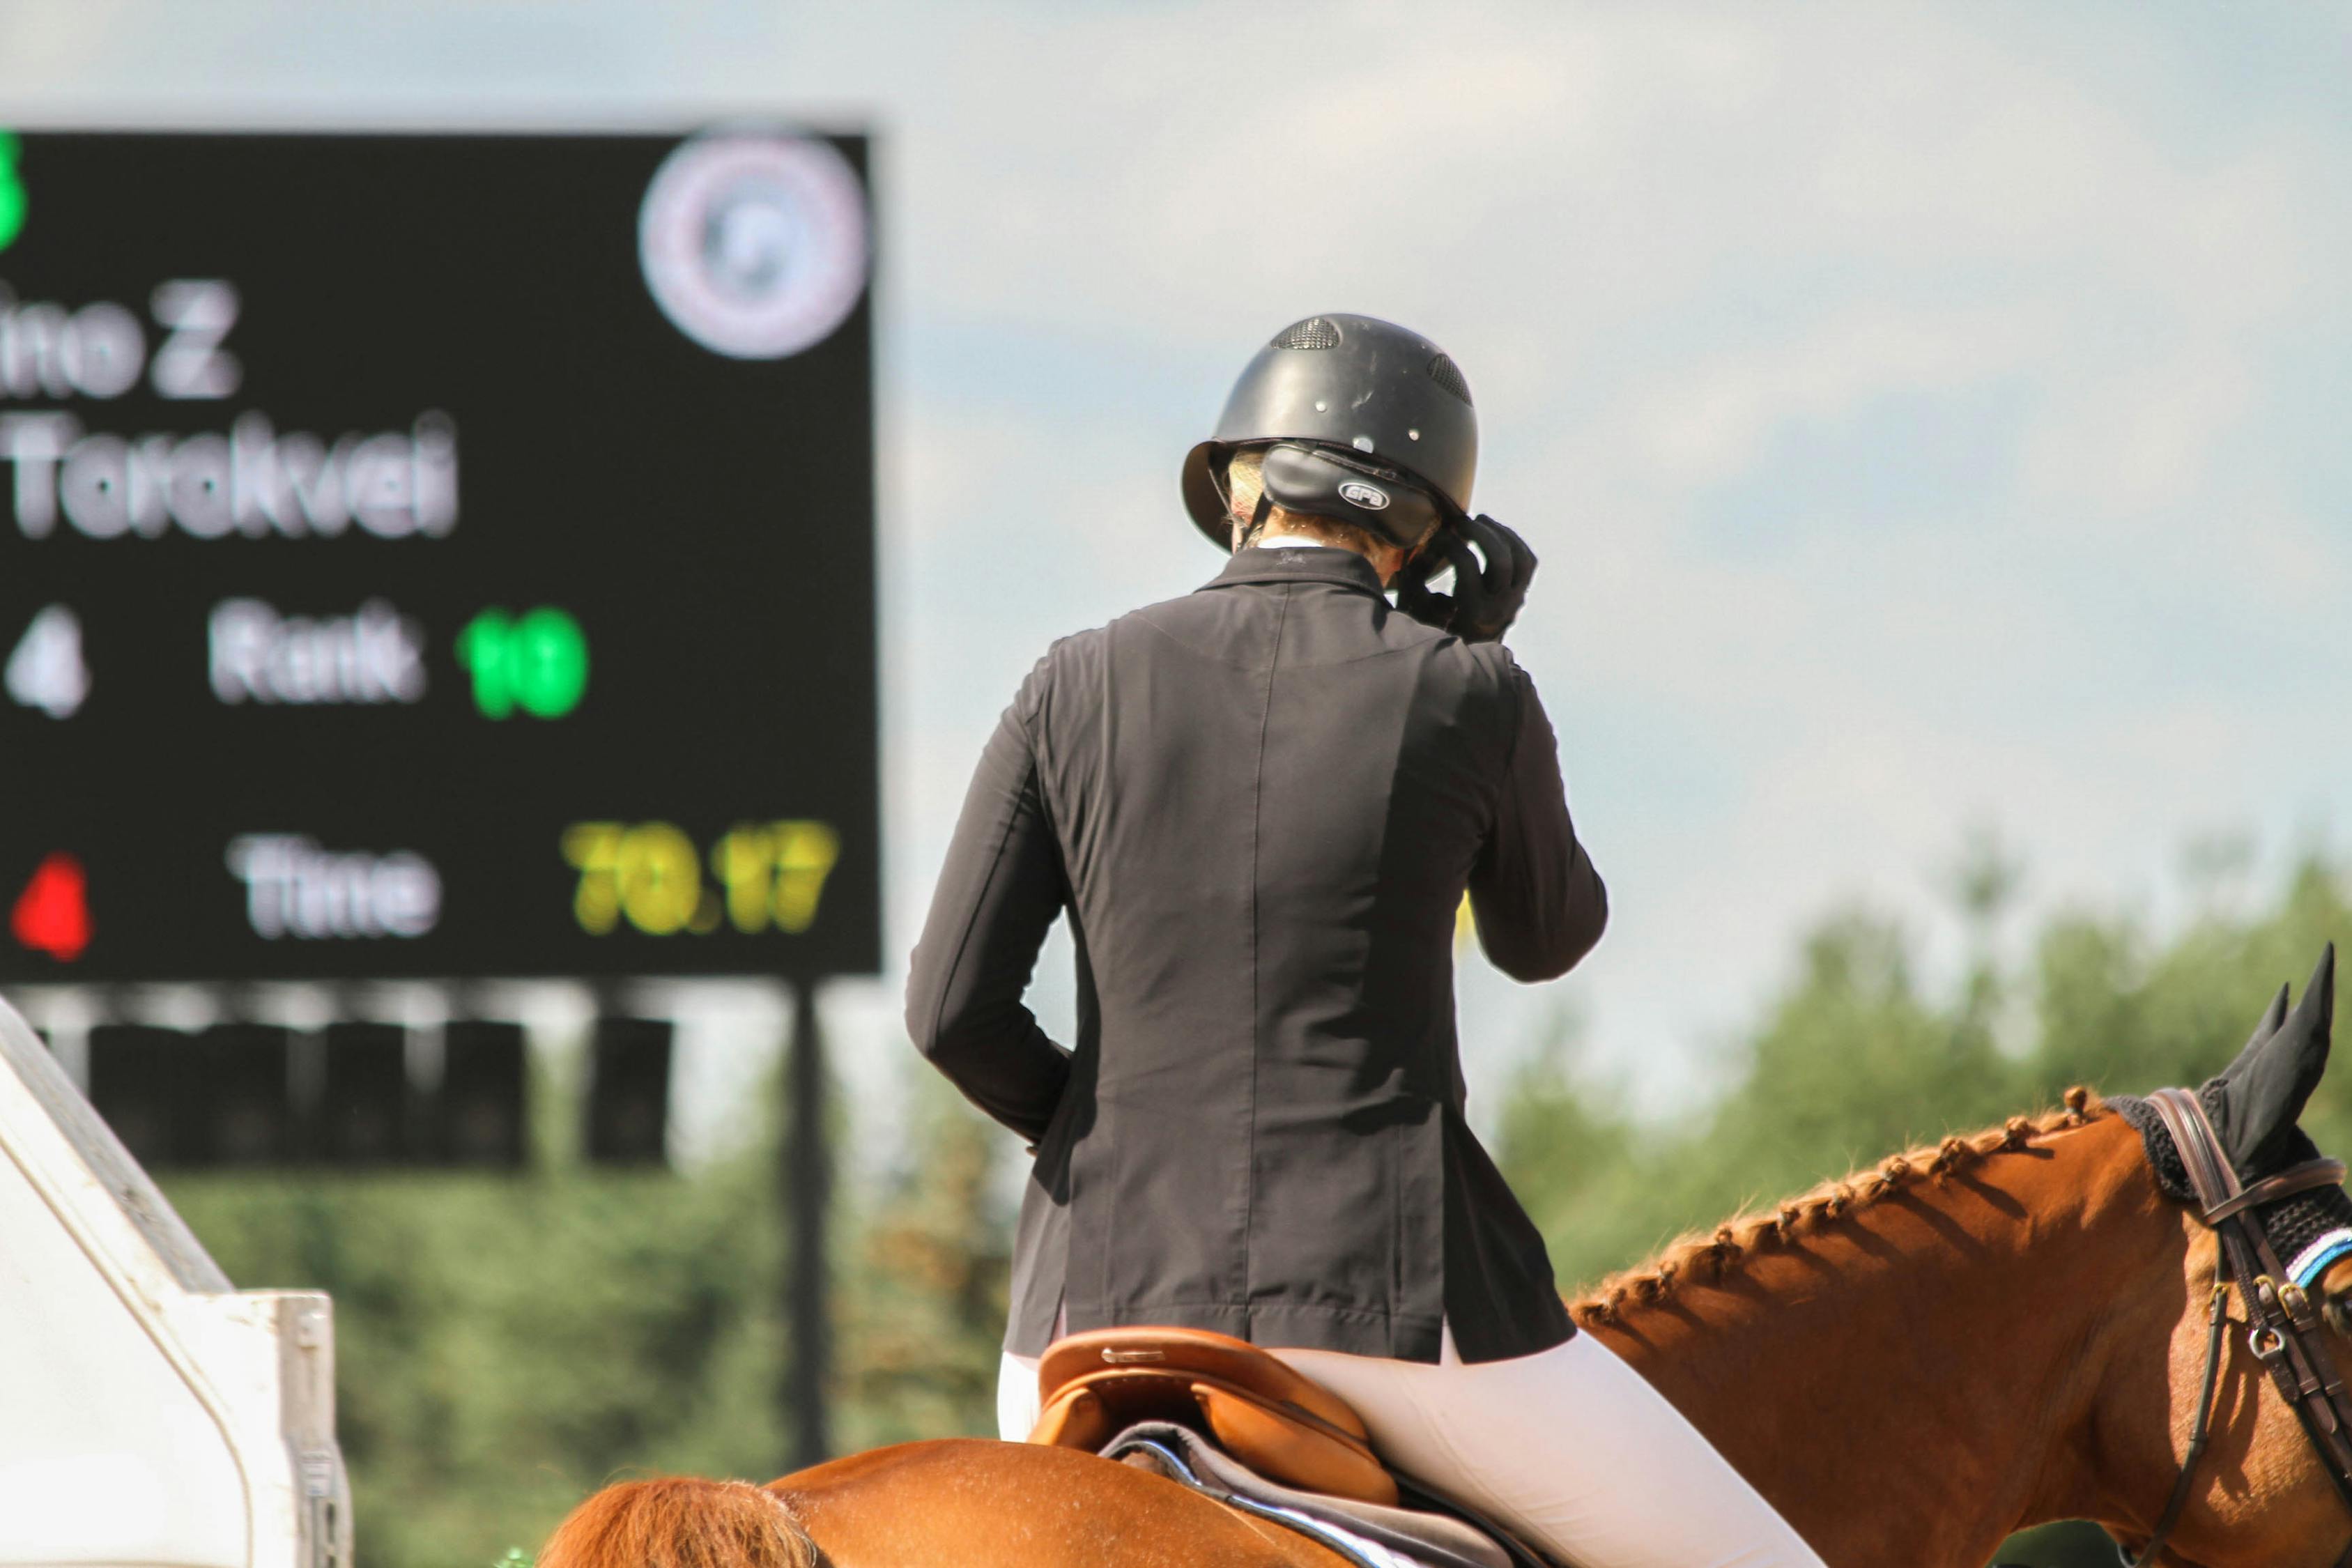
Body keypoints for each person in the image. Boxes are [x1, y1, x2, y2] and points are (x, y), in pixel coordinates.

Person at [907, 314, 1825, 1568]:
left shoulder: (1070, 677)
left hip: (1083, 1321)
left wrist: (1105, 1126)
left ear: (1237, 481)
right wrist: (1478, 665)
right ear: (1433, 533)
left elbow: (949, 1009)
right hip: (1391, 1311)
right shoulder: (1466, 690)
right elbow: (1547, 936)